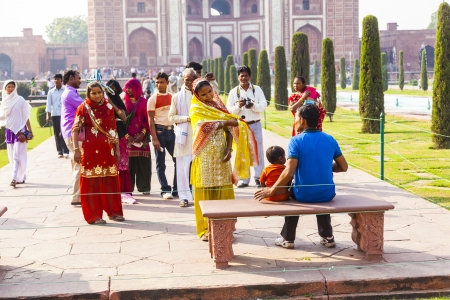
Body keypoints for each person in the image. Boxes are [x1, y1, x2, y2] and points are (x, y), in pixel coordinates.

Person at [255, 104, 348, 249]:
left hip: (303, 195)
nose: (295, 121)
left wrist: (271, 190)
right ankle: (327, 236)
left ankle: (287, 238)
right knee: (320, 193)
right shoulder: (330, 139)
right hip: (327, 193)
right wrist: (324, 166)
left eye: (296, 118)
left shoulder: (296, 141)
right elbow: (344, 167)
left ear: (303, 120)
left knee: (292, 194)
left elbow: (289, 172)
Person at [190, 79, 258, 241]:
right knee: (206, 189)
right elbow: (201, 126)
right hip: (204, 154)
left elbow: (229, 127)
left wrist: (229, 148)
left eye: (209, 92)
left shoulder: (219, 105)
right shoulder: (196, 107)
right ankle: (206, 229)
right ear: (197, 95)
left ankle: (225, 229)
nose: (207, 96)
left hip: (221, 153)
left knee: (223, 188)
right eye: (203, 94)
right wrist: (224, 122)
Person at [72, 82, 124, 225]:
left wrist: (117, 149)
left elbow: (114, 130)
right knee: (91, 182)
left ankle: (114, 212)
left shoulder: (108, 107)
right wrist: (76, 150)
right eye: (93, 93)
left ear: (103, 92)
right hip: (90, 151)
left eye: (99, 92)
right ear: (88, 94)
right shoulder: (83, 108)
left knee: (110, 180)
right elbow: (75, 129)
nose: (97, 95)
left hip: (108, 150)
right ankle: (93, 215)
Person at [227, 65, 267, 188]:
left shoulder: (257, 90)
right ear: (238, 77)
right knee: (242, 152)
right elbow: (229, 111)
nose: (244, 78)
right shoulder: (234, 92)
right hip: (241, 126)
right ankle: (244, 179)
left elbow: (263, 105)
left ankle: (259, 177)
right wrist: (239, 106)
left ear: (250, 76)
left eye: (246, 75)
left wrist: (252, 105)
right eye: (241, 75)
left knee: (257, 151)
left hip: (254, 124)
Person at [168, 68, 196, 207]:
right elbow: (171, 116)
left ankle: (198, 196)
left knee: (199, 167)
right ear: (183, 79)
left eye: (192, 79)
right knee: (183, 168)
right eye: (187, 80)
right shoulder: (177, 97)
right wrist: (186, 118)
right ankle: (184, 196)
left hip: (199, 136)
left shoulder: (201, 95)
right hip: (183, 137)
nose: (190, 82)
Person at [106, 79, 137, 204]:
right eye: (109, 88)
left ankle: (124, 190)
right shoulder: (101, 101)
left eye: (114, 88)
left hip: (120, 133)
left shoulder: (118, 101)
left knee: (122, 162)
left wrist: (112, 105)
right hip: (106, 134)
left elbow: (124, 118)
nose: (112, 90)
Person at [147, 72, 177, 199]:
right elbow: (150, 121)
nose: (159, 85)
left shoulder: (172, 97)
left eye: (162, 82)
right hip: (159, 133)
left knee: (178, 160)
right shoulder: (153, 98)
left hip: (171, 132)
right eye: (157, 82)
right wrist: (154, 138)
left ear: (167, 83)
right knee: (161, 162)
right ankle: (165, 189)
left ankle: (177, 188)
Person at [0, 80, 33, 188]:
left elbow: (26, 116)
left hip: (20, 130)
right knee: (11, 155)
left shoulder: (20, 100)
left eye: (12, 86)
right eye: (8, 87)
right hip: (9, 130)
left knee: (17, 155)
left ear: (15, 88)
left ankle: (14, 178)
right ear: (5, 88)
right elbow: (3, 117)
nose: (10, 88)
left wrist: (30, 130)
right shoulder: (4, 102)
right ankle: (21, 175)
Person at [123, 78, 152, 194]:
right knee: (128, 165)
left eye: (130, 87)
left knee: (143, 164)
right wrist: (126, 136)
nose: (127, 90)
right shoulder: (123, 102)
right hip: (127, 138)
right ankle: (128, 189)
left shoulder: (144, 102)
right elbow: (120, 122)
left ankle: (144, 187)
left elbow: (147, 119)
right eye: (126, 87)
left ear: (136, 88)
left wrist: (143, 133)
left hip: (141, 138)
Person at [61, 70, 84, 205]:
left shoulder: (69, 92)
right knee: (80, 164)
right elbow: (85, 107)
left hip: (70, 132)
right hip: (73, 133)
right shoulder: (70, 93)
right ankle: (77, 196)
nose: (80, 80)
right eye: (78, 78)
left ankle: (78, 195)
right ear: (71, 78)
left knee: (77, 164)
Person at [46, 74, 69, 158]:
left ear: (61, 80)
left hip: (64, 114)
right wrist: (47, 115)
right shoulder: (51, 92)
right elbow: (48, 104)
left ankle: (66, 150)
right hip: (55, 114)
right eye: (55, 79)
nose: (56, 80)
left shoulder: (65, 90)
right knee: (57, 133)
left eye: (58, 79)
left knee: (63, 133)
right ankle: (59, 151)